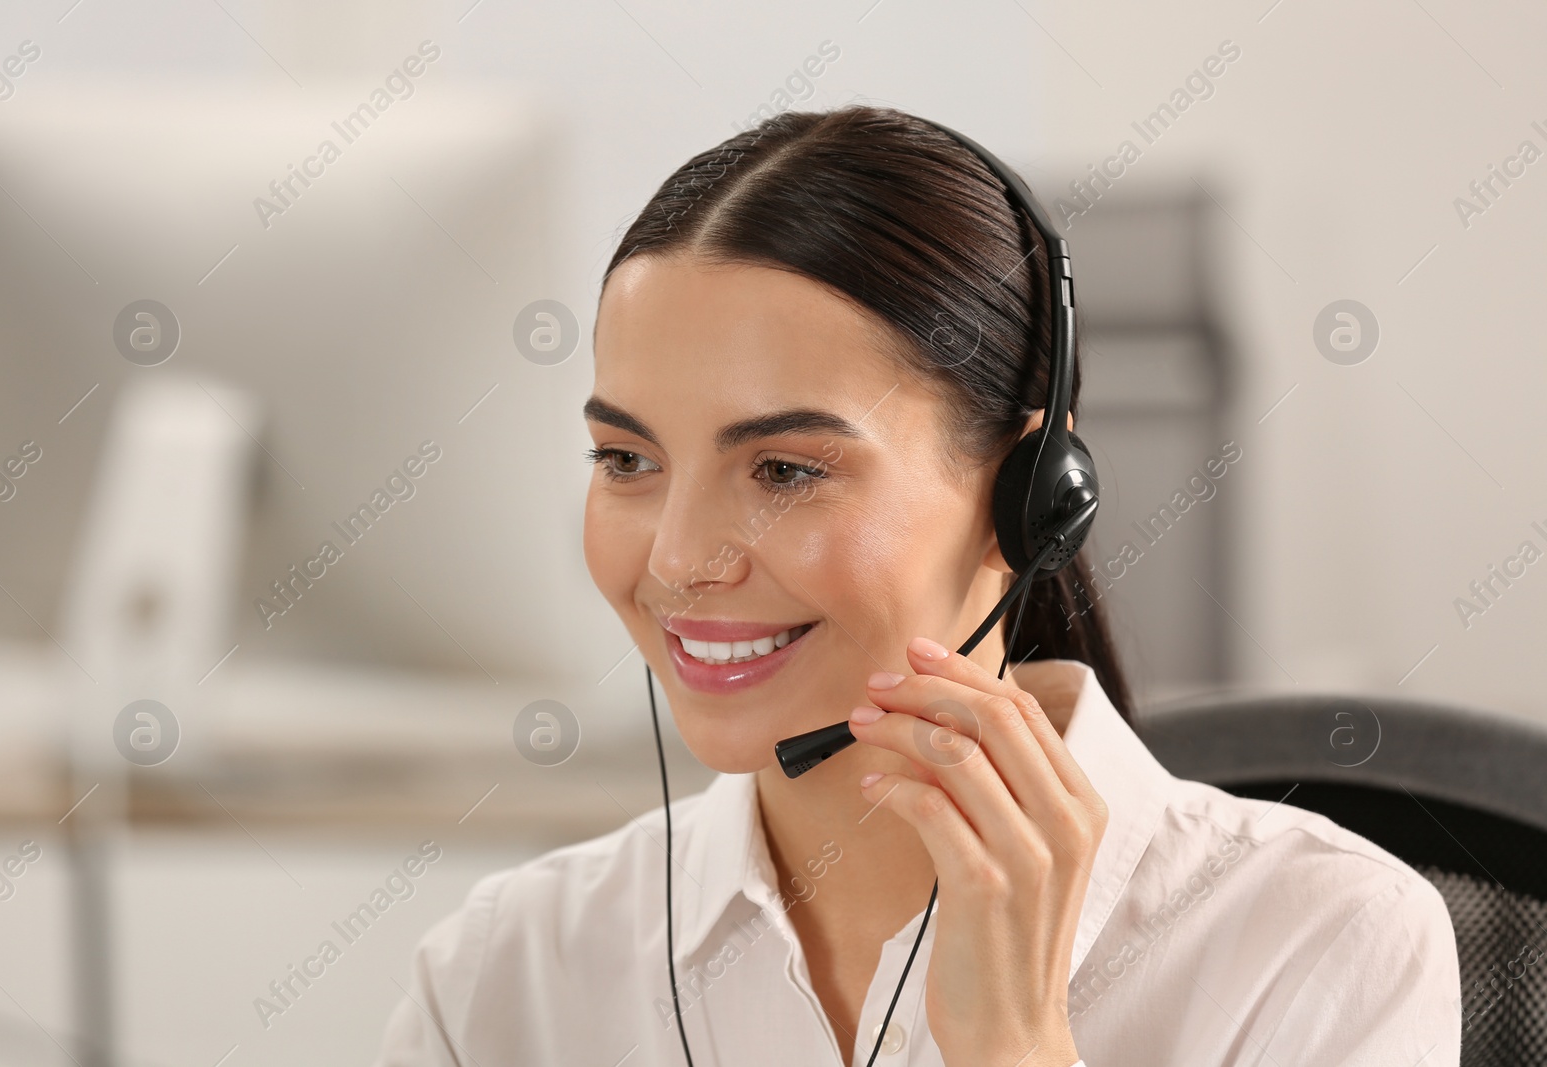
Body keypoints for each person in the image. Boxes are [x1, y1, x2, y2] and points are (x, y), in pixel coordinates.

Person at [373, 105, 1461, 1066]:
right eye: (627, 460)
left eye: (786, 470)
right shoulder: (503, 979)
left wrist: (1014, 1048)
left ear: (1029, 495)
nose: (676, 558)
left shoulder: (1317, 942)